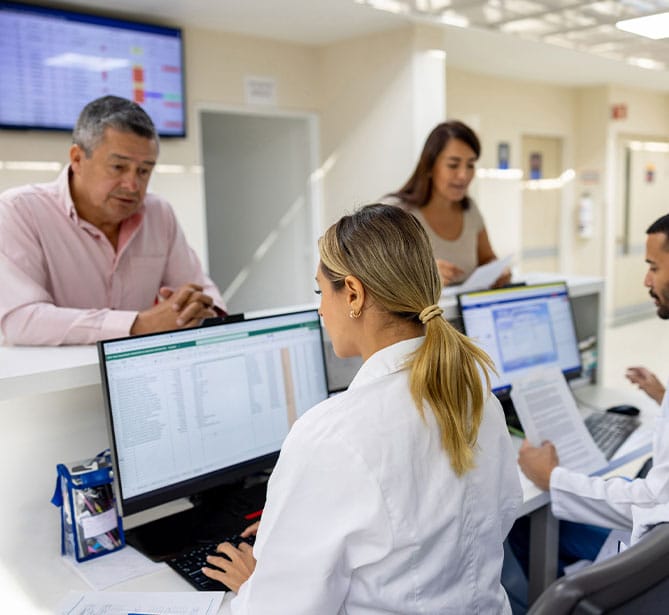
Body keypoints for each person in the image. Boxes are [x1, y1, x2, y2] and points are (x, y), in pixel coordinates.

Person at [201, 204, 522, 613]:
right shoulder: (477, 396)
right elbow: (487, 517)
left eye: (321, 292)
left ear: (352, 293)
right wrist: (301, 526)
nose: (320, 309)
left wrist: (256, 584)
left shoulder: (333, 436)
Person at [513, 212, 669, 579]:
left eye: (654, 267)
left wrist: (552, 479)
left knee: (525, 524)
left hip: (655, 548)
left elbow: (654, 502)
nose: (646, 280)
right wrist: (664, 397)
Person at [0, 95, 224, 346]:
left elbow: (201, 290)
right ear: (77, 159)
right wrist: (140, 324)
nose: (132, 185)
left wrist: (199, 310)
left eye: (144, 171)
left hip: (137, 377)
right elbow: (21, 320)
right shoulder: (19, 211)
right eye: (118, 167)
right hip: (56, 383)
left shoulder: (159, 214)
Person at [385, 120, 511, 287]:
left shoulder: (470, 210)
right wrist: (421, 273)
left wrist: (497, 270)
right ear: (429, 166)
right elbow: (376, 277)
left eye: (470, 165)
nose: (463, 175)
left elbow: (487, 258)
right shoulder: (397, 213)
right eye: (453, 165)